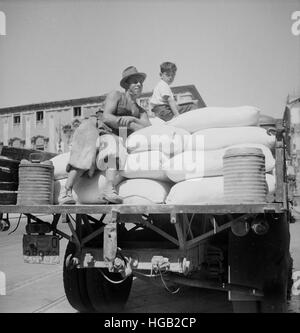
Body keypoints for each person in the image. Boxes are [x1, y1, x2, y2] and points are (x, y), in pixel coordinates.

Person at [58, 66, 151, 205]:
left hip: (111, 134)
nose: (139, 84)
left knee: (114, 147)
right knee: (84, 152)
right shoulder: (116, 95)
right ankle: (66, 191)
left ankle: (108, 189)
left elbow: (148, 127)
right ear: (126, 84)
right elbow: (107, 117)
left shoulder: (140, 110)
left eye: (141, 82)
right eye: (135, 81)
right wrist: (129, 124)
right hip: (95, 127)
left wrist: (132, 120)